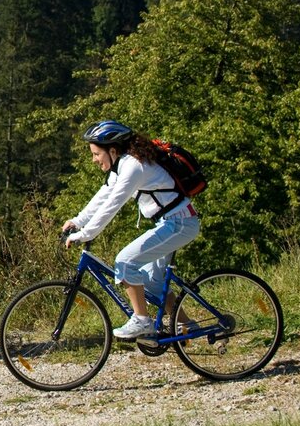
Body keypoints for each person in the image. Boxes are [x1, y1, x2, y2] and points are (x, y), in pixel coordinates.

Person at [62, 120, 202, 340]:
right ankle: (187, 325)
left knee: (126, 261)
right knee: (152, 283)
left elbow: (113, 204)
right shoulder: (124, 165)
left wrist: (85, 234)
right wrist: (78, 221)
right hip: (171, 222)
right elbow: (105, 194)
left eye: (96, 154)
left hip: (179, 223)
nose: (94, 159)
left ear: (113, 150)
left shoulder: (133, 166)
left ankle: (142, 321)